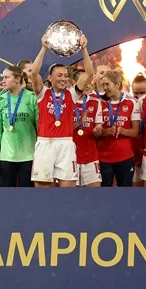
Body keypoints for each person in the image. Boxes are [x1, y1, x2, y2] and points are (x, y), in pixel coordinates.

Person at [28, 42, 94, 187]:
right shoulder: (42, 93)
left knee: (68, 190)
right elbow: (34, 73)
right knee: (43, 190)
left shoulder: (72, 94)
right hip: (45, 143)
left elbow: (89, 74)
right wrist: (44, 48)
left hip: (66, 144)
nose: (63, 79)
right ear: (49, 77)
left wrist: (84, 49)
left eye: (65, 76)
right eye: (59, 75)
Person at [0, 65, 38, 187]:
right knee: (7, 195)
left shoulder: (32, 98)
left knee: (27, 194)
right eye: (3, 77)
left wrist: (40, 153)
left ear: (17, 79)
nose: (3, 81)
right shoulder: (0, 100)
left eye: (7, 77)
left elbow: (39, 127)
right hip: (6, 157)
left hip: (29, 156)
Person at [95, 69, 140, 187]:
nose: (105, 88)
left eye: (107, 84)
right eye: (103, 84)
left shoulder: (132, 102)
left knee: (125, 193)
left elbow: (135, 132)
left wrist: (122, 131)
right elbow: (96, 132)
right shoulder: (99, 103)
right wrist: (106, 132)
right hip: (104, 157)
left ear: (117, 84)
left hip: (125, 156)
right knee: (105, 193)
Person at [71, 67, 103, 187]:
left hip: (90, 156)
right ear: (74, 83)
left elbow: (98, 128)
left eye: (90, 82)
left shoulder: (95, 102)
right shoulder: (67, 101)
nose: (88, 85)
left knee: (94, 193)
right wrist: (79, 122)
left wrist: (98, 130)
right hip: (70, 156)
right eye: (85, 82)